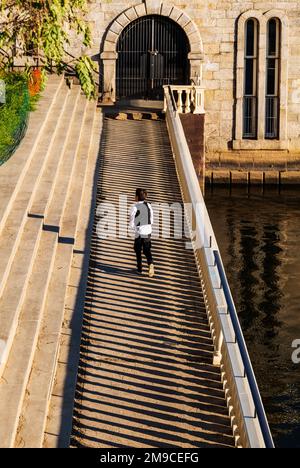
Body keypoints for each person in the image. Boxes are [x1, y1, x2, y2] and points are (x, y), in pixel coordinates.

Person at [130, 188, 155, 277]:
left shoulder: (135, 207)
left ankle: (139, 269)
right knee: (147, 249)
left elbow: (132, 221)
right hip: (148, 231)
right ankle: (150, 263)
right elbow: (151, 219)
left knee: (137, 250)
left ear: (136, 197)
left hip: (139, 232)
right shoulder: (148, 205)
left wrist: (134, 228)